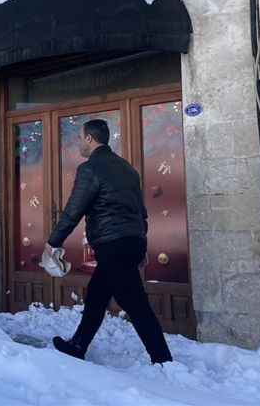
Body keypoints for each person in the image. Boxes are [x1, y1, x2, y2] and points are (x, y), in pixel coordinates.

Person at [47, 119, 172, 365]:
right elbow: (141, 212)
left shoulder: (91, 168)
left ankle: (163, 360)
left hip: (112, 244)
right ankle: (77, 345)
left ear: (90, 139)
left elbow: (74, 210)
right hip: (130, 242)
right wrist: (142, 245)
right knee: (96, 296)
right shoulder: (128, 169)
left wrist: (53, 242)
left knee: (135, 303)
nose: (78, 142)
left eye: (80, 137)